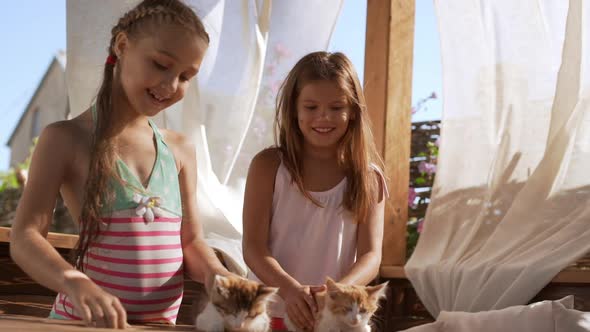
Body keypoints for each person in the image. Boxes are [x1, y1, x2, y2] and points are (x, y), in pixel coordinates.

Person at [10, 0, 232, 328]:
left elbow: (191, 242)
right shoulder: (65, 138)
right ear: (123, 45)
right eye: (160, 64)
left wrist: (218, 275)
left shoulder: (180, 149)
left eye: (186, 76)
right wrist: (75, 281)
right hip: (82, 325)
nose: (171, 86)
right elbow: (26, 236)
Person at [242, 51, 387, 331]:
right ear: (293, 109)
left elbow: (371, 255)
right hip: (267, 316)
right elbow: (253, 248)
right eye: (311, 107)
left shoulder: (368, 177)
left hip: (337, 321)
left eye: (336, 107)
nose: (323, 117)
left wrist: (336, 294)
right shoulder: (268, 166)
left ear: (353, 112)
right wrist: (290, 291)